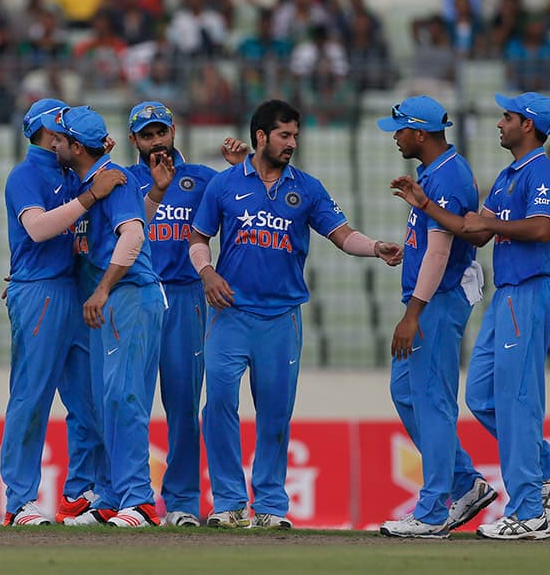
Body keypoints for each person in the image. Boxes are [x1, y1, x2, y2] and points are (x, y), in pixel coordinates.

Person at [189, 99, 402, 529]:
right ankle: (229, 502)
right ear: (261, 136)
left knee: (274, 413)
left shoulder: (307, 188)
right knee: (220, 407)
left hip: (281, 317)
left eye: (296, 137)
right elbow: (197, 237)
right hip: (230, 314)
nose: (292, 144)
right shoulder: (225, 184)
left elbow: (343, 235)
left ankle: (269, 506)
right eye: (285, 135)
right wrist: (207, 272)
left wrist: (375, 247)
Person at [391, 92, 550, 540]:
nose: (500, 123)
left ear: (528, 126)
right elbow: (470, 231)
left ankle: (529, 510)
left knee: (518, 402)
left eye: (508, 117)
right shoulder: (506, 177)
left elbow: (541, 228)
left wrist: (489, 224)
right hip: (507, 294)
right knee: (481, 395)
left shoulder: (541, 171)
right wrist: (425, 205)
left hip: (530, 290)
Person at [0, 98, 125, 526]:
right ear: (53, 134)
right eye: (66, 130)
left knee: (88, 399)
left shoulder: (69, 171)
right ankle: (18, 501)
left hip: (76, 290)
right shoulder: (26, 174)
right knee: (31, 396)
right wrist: (91, 194)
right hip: (40, 292)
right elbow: (36, 229)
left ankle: (79, 493)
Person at [375, 96, 493, 539]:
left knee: (433, 401)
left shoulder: (448, 177)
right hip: (431, 297)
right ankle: (465, 482)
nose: (396, 135)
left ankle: (432, 512)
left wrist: (413, 314)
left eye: (400, 128)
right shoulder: (438, 171)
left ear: (420, 133)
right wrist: (408, 251)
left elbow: (443, 252)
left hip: (435, 303)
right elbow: (434, 243)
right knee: (406, 393)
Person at [125, 102, 246, 527]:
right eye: (147, 135)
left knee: (182, 405)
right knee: (129, 402)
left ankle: (181, 503)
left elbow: (246, 208)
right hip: (136, 297)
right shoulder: (124, 181)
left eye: (162, 132)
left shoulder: (203, 180)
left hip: (185, 298)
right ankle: (130, 499)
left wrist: (239, 168)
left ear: (174, 131)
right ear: (134, 141)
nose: (156, 142)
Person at [53, 106, 166, 527]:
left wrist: (102, 289)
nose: (55, 145)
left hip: (130, 296)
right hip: (111, 302)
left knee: (124, 397)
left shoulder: (112, 181)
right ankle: (112, 497)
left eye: (61, 140)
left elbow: (134, 236)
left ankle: (140, 501)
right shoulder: (93, 182)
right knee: (107, 401)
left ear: (76, 146)